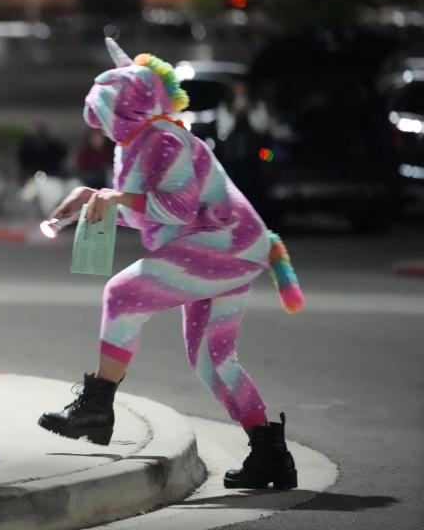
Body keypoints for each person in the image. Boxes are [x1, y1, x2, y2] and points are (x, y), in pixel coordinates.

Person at [37, 38, 305, 490]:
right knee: (211, 359)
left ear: (123, 109)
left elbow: (175, 208)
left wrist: (117, 197)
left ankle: (97, 406)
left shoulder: (162, 140)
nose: (98, 125)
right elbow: (149, 210)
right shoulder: (141, 142)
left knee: (122, 294)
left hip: (222, 244)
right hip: (234, 247)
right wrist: (94, 202)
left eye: (103, 112)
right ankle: (270, 453)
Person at [17, 119, 68, 183]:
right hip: (32, 177)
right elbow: (23, 164)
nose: (40, 134)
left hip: (51, 176)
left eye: (42, 131)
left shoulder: (55, 147)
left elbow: (61, 158)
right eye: (38, 131)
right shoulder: (26, 148)